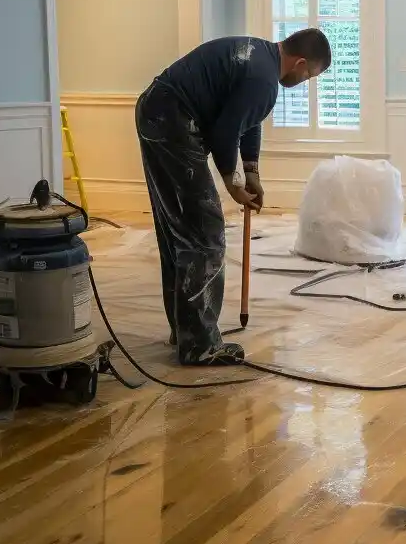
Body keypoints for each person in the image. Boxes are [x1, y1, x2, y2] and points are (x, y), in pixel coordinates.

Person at [135, 29, 330, 365]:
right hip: (172, 119)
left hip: (158, 111)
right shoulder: (264, 79)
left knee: (179, 228)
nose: (305, 81)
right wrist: (232, 182)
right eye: (309, 75)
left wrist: (251, 171)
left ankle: (186, 330)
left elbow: (247, 121)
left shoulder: (261, 61)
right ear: (300, 63)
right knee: (204, 231)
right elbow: (225, 132)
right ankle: (199, 345)